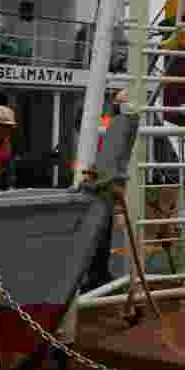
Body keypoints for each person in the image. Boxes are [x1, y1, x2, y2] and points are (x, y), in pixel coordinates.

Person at [81, 88, 141, 293]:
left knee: (98, 232)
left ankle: (96, 276)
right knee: (104, 231)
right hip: (110, 185)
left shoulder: (120, 123)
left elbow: (109, 158)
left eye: (115, 103)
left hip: (103, 187)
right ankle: (100, 274)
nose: (112, 106)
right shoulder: (132, 122)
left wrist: (92, 183)